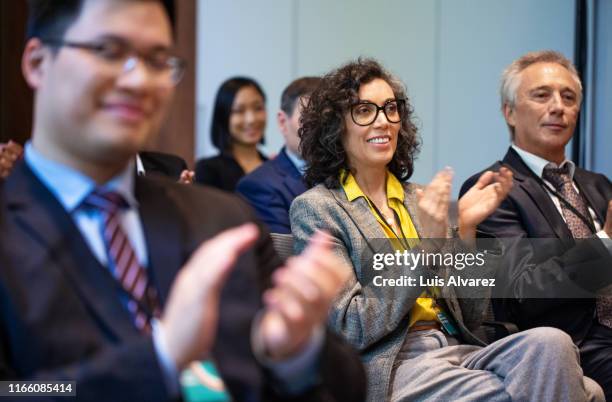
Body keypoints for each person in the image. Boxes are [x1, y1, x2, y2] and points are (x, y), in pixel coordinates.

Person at [0, 1, 366, 401]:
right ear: (37, 62)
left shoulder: (222, 220)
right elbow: (17, 391)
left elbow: (346, 386)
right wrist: (161, 358)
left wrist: (293, 350)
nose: (138, 79)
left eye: (157, 60)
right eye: (109, 51)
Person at [290, 58, 603, 402]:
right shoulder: (318, 208)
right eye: (365, 110)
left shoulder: (420, 198)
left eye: (390, 109)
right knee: (582, 390)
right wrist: (426, 249)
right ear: (337, 126)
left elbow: (472, 316)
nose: (384, 121)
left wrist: (465, 231)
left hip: (458, 348)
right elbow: (349, 327)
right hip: (395, 361)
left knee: (552, 341)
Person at [460, 50, 612, 399]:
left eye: (568, 97)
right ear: (509, 112)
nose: (558, 106)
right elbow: (522, 292)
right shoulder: (494, 190)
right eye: (542, 95)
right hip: (574, 343)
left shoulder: (598, 185)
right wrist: (605, 243)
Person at [237, 76, 320, 234]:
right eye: (308, 118)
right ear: (283, 122)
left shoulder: (349, 176)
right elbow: (287, 255)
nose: (319, 128)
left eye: (327, 118)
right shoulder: (259, 186)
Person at [195, 77, 267, 192]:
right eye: (239, 110)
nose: (251, 119)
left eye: (258, 108)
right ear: (223, 116)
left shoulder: (276, 168)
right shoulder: (208, 170)